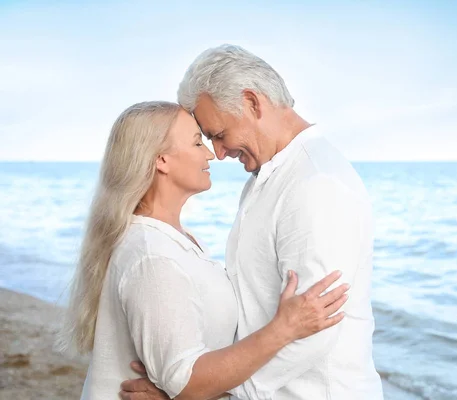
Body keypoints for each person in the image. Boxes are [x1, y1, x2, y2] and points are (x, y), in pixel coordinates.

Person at [121, 45, 384, 399]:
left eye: (217, 133)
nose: (219, 152)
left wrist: (208, 393)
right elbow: (253, 305)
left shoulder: (316, 183)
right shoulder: (267, 179)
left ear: (252, 103)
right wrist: (191, 375)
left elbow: (317, 328)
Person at [58, 101, 349, 400]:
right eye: (198, 142)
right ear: (161, 160)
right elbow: (186, 383)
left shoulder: (176, 240)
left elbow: (182, 379)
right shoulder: (152, 256)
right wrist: (283, 329)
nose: (211, 153)